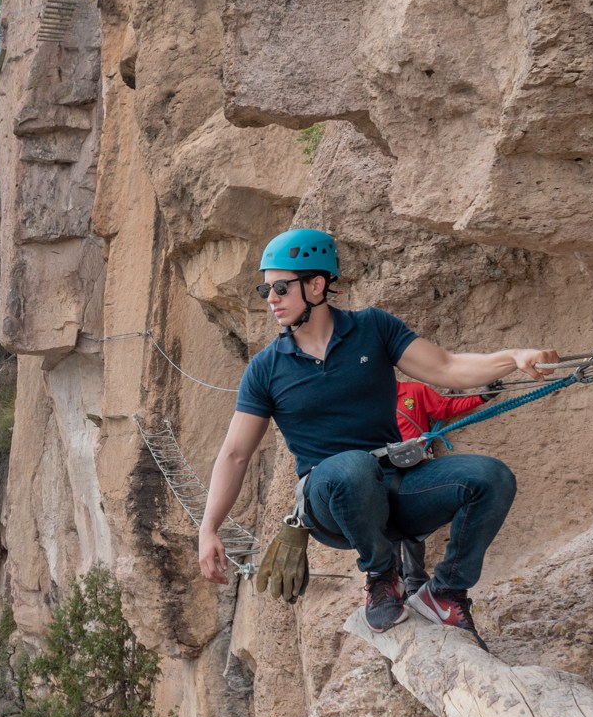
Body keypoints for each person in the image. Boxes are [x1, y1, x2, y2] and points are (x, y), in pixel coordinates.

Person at [196, 227, 557, 650]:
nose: (271, 299)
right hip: (330, 500)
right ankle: (382, 576)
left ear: (317, 285)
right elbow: (235, 455)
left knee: (491, 477)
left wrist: (514, 358)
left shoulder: (372, 328)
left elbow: (447, 368)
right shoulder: (266, 368)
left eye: (280, 287)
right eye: (266, 289)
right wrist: (209, 528)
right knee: (352, 467)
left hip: (394, 485)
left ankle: (445, 592)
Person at [391, 380, 494, 599]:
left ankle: (414, 581)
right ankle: (393, 582)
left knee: (410, 526)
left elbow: (445, 407)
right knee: (385, 528)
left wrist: (482, 397)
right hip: (384, 471)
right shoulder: (367, 400)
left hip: (414, 467)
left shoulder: (414, 391)